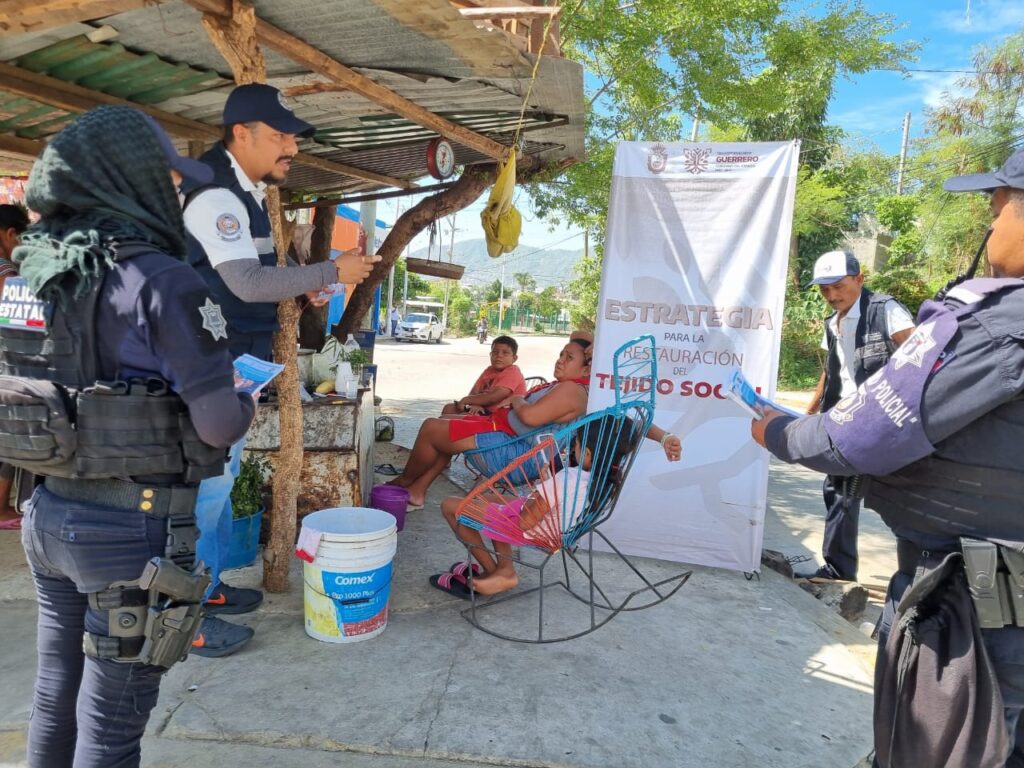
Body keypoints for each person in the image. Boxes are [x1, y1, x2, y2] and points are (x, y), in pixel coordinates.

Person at [0, 106, 254, 768]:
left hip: (45, 513)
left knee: (56, 693)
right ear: (124, 180)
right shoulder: (166, 282)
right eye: (166, 179)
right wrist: (246, 401)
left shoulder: (24, 276)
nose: (175, 193)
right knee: (110, 730)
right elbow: (218, 424)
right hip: (134, 536)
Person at [752, 151, 1024, 767]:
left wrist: (782, 434)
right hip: (993, 594)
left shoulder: (987, 325)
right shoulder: (835, 322)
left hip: (981, 613)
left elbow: (873, 428)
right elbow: (839, 379)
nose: (990, 222)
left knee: (949, 746)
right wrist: (819, 412)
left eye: (999, 205)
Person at [182, 82, 379, 657]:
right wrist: (327, 273)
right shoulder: (216, 195)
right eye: (279, 136)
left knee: (218, 490)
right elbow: (244, 282)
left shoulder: (244, 192)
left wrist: (308, 285)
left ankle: (209, 588)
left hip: (234, 363)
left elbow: (257, 276)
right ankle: (182, 615)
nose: (290, 147)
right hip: (207, 364)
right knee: (202, 494)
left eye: (293, 136)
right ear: (240, 134)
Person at [434, 414, 681, 597]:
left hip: (534, 528)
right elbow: (637, 427)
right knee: (487, 498)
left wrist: (542, 489)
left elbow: (524, 521)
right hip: (557, 525)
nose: (571, 447)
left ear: (586, 453)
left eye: (575, 443)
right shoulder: (604, 477)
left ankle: (500, 572)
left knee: (451, 506)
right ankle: (499, 571)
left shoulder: (566, 480)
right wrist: (664, 437)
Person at [795, 251, 914, 581]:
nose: (832, 296)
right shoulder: (833, 323)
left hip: (878, 420)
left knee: (845, 492)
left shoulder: (885, 311)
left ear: (859, 279)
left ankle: (839, 570)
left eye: (839, 286)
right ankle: (839, 568)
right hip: (841, 417)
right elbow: (833, 371)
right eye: (824, 290)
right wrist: (808, 412)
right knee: (836, 489)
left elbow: (918, 359)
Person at [389, 337, 595, 509]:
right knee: (446, 424)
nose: (560, 361)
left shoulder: (572, 390)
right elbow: (580, 336)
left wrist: (517, 400)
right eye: (561, 354)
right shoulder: (572, 386)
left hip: (515, 455)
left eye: (569, 358)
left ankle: (404, 482)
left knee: (432, 428)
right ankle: (417, 491)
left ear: (587, 370)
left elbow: (530, 418)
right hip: (510, 439)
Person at [0, 203, 29, 530]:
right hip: (7, 361)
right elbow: (24, 324)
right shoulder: (7, 273)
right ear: (10, 234)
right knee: (10, 434)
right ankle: (1, 508)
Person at [440, 335, 526, 416]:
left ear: (514, 358)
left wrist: (466, 400)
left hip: (498, 415)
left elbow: (494, 397)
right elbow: (474, 393)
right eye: (495, 352)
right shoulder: (489, 370)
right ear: (490, 354)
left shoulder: (513, 372)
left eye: (505, 353)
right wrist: (475, 404)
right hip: (483, 410)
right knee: (449, 408)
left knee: (437, 423)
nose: (499, 356)